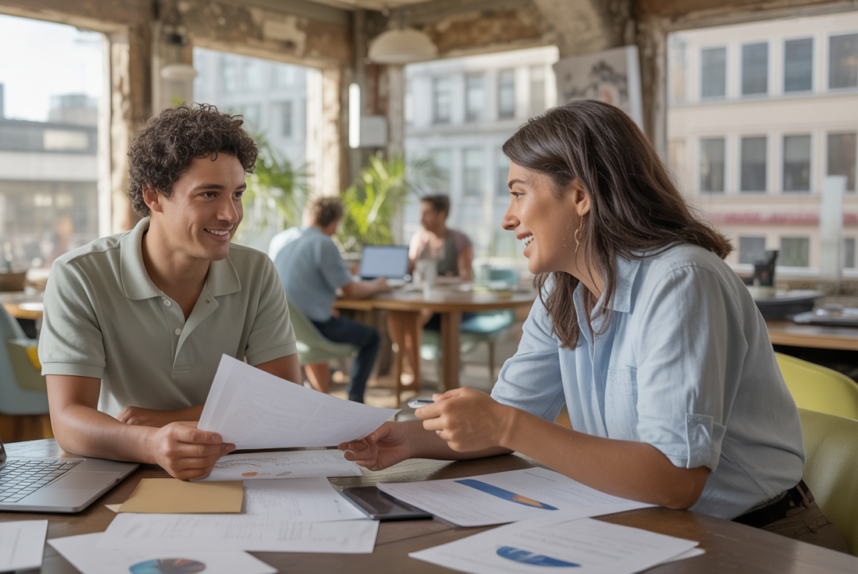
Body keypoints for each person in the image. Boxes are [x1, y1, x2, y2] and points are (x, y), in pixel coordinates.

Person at [340, 100, 848, 551]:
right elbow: (507, 418)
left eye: (518, 193)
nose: (508, 219)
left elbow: (676, 481)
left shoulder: (682, 280)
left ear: (580, 195)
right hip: (646, 525)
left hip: (760, 538)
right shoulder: (564, 290)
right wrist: (409, 439)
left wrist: (505, 424)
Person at [39, 105, 301, 480]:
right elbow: (68, 420)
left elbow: (286, 404)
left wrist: (170, 420)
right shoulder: (79, 275)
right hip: (122, 467)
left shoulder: (256, 271)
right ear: (153, 195)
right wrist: (152, 443)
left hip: (230, 468)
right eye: (209, 194)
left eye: (237, 194)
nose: (230, 214)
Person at [270, 196, 393, 402]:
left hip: (282, 326)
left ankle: (321, 400)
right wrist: (378, 285)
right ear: (335, 222)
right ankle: (355, 400)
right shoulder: (323, 243)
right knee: (372, 338)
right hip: (314, 328)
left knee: (329, 323)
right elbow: (351, 291)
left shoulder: (281, 238)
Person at [388, 194, 475, 388]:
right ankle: (411, 371)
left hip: (450, 306)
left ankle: (420, 376)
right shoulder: (419, 239)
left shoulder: (459, 240)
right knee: (395, 314)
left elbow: (467, 278)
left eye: (426, 214)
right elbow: (408, 270)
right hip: (424, 302)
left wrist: (437, 281)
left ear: (441, 215)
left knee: (415, 316)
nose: (421, 219)